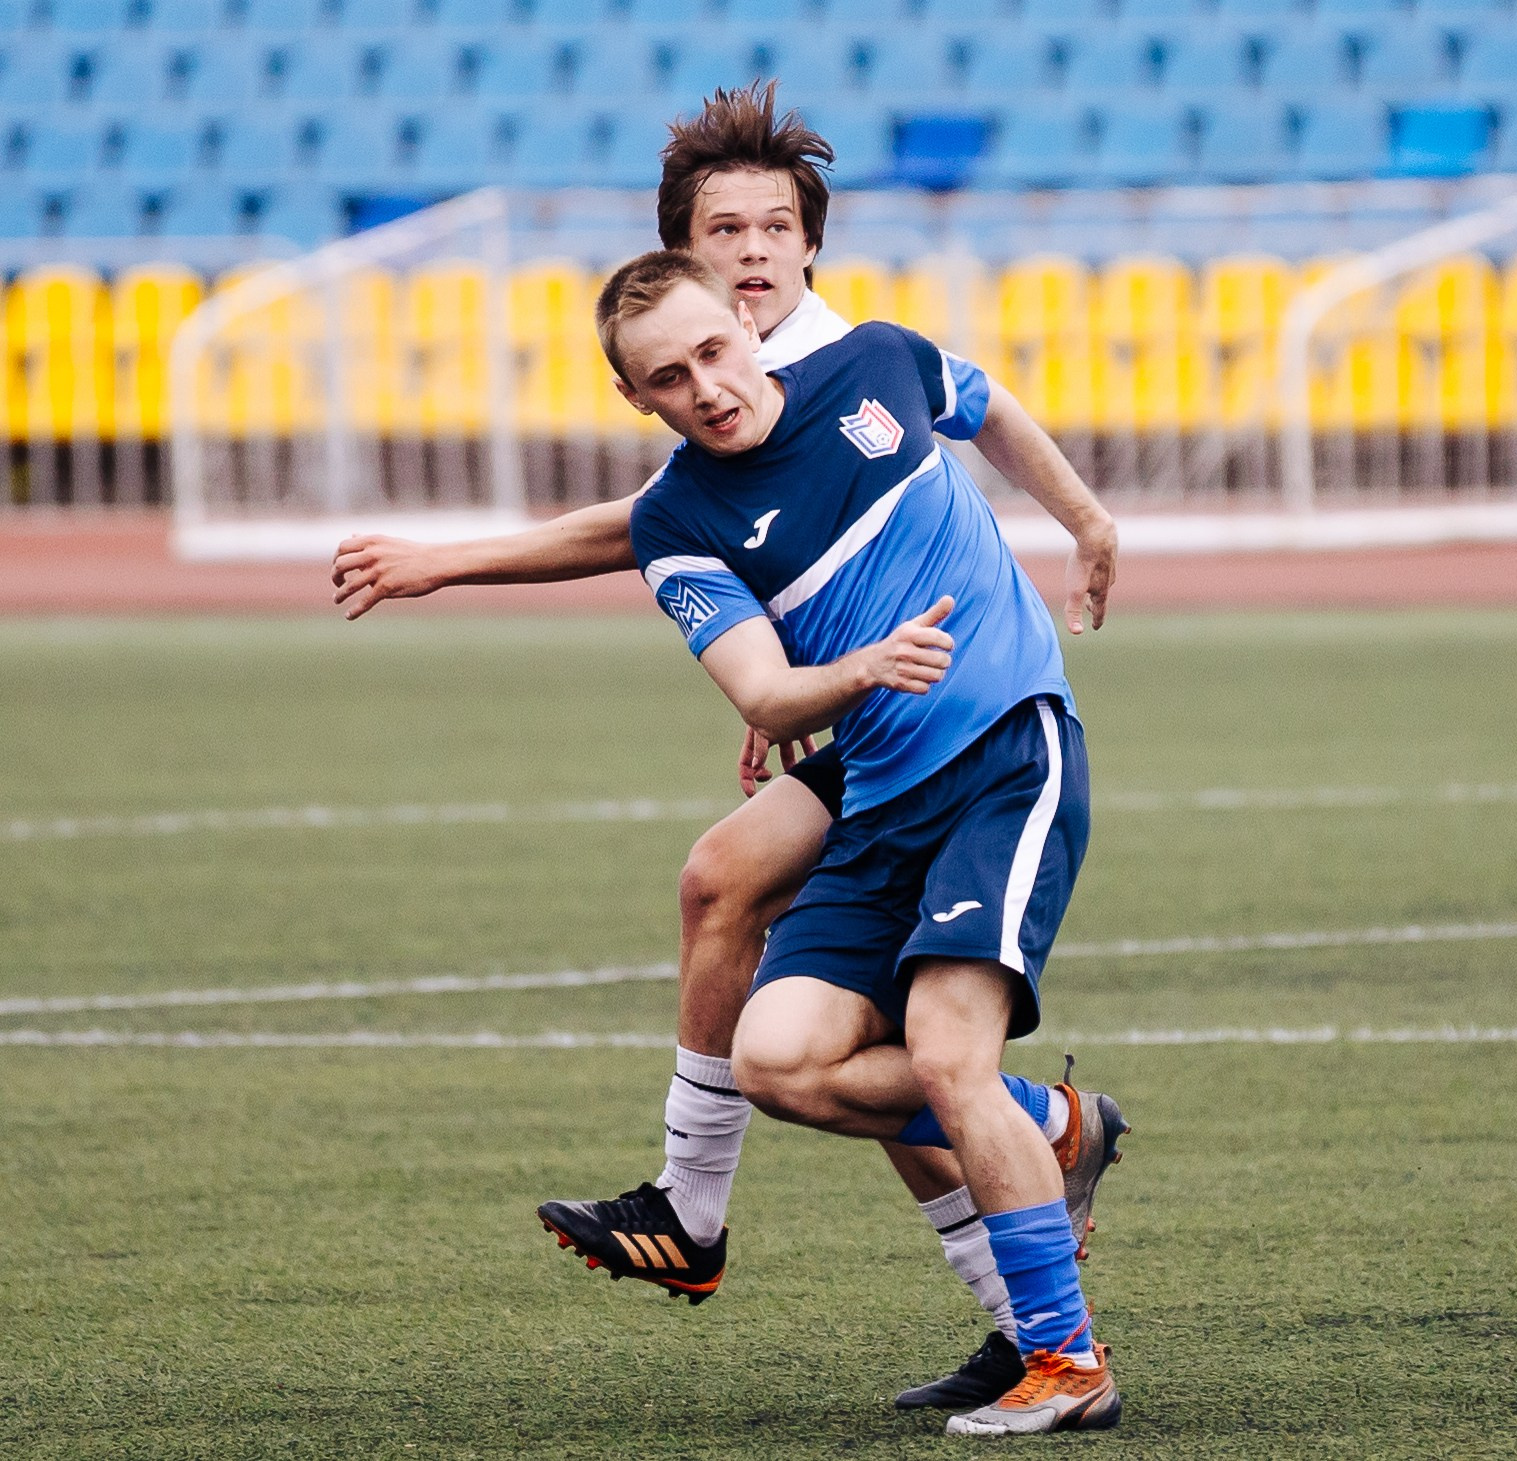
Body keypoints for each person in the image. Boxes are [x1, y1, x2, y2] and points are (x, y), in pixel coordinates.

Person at [332, 82, 1121, 1413]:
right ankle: (977, 1225)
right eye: (723, 231)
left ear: (806, 244)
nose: (751, 253)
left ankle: (761, 1225)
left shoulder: (842, 352)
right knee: (745, 935)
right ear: (681, 263)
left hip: (966, 718)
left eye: (771, 227)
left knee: (910, 1030)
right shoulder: (701, 413)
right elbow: (667, 530)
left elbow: (969, 409)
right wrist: (795, 686)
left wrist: (1086, 525)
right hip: (863, 725)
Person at [602, 245, 1122, 1435]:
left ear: (747, 321)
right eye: (670, 379)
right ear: (638, 400)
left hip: (1003, 754)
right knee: (778, 1059)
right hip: (882, 799)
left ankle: (1065, 1364)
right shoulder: (676, 520)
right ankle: (1051, 1123)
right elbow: (767, 695)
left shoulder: (877, 362)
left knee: (946, 1052)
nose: (708, 388)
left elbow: (988, 407)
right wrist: (861, 670)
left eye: (714, 352)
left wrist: (1085, 520)